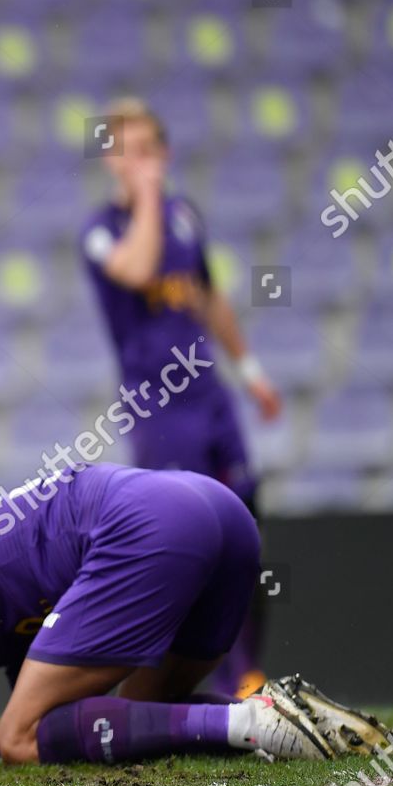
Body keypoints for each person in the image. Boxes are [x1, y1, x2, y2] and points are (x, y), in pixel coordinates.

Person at [0, 463, 391, 771]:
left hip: (147, 525)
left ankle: (250, 724)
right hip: (216, 511)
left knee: (20, 737)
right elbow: (59, 730)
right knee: (137, 721)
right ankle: (292, 717)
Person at [80, 98, 281, 697]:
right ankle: (195, 681)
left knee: (246, 528)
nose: (141, 163)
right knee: (190, 537)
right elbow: (140, 271)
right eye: (128, 152)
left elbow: (206, 294)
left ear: (165, 153)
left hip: (210, 396)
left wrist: (249, 369)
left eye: (149, 150)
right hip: (157, 407)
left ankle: (249, 674)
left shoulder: (186, 215)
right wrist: (146, 197)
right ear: (113, 161)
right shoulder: (100, 232)